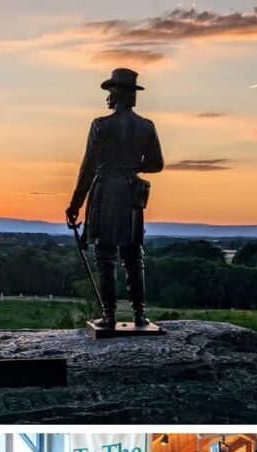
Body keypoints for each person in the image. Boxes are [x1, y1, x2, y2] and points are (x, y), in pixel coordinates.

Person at [66, 68, 164, 329]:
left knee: (105, 255)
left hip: (107, 191)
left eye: (109, 92)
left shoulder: (101, 125)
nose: (106, 98)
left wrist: (75, 204)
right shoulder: (146, 126)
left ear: (117, 95)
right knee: (133, 255)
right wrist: (132, 166)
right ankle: (139, 315)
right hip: (131, 191)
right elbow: (156, 164)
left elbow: (87, 168)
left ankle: (109, 316)